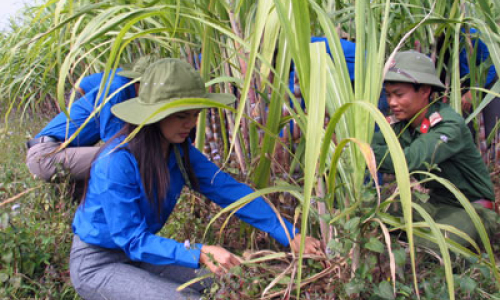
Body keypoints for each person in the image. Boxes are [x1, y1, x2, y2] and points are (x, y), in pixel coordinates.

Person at [69, 58, 322, 300]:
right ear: (155, 114)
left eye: (195, 114)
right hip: (99, 263)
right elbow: (133, 240)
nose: (190, 124)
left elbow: (230, 191)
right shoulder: (116, 162)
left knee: (237, 281)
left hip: (143, 256)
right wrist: (200, 252)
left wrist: (290, 234)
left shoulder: (180, 153)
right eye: (181, 115)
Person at [371, 50, 497, 250]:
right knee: (376, 213)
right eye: (388, 95)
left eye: (399, 94)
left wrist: (365, 151)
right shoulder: (402, 123)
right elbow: (372, 143)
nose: (392, 103)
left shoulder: (449, 125)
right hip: (436, 203)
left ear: (425, 91)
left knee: (433, 249)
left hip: (472, 208)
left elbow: (409, 160)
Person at [25, 56, 154, 181]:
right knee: (124, 159)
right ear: (140, 82)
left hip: (52, 152)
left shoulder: (122, 88)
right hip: (46, 155)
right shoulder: (117, 90)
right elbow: (115, 141)